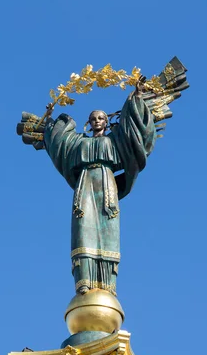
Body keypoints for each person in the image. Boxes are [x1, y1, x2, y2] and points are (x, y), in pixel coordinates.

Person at [43, 77, 156, 296]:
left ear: (106, 121)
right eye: (93, 118)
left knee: (108, 231)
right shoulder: (80, 143)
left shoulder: (114, 141)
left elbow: (132, 129)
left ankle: (108, 284)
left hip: (107, 185)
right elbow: (60, 142)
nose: (97, 121)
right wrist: (49, 122)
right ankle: (84, 280)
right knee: (83, 229)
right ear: (89, 122)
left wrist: (136, 97)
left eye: (101, 118)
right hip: (85, 184)